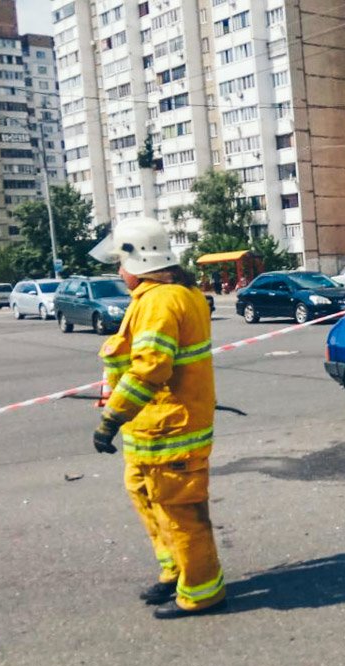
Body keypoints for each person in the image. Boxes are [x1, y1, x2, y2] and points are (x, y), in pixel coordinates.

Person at [90, 217, 227, 619]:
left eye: (121, 264)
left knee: (182, 511)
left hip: (171, 429)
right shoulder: (168, 295)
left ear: (139, 261)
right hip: (152, 427)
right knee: (146, 496)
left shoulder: (161, 301)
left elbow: (151, 366)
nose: (119, 272)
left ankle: (202, 593)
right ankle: (175, 571)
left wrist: (113, 416)